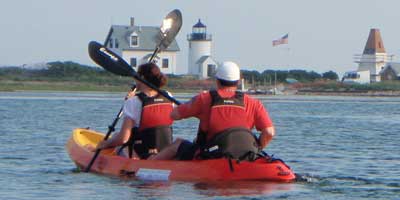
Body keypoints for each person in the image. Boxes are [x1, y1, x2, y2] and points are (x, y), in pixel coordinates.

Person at [151, 61, 275, 161]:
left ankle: (150, 163)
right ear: (238, 82)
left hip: (212, 154)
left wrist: (197, 110)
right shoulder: (254, 103)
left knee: (178, 144)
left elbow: (174, 115)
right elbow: (269, 132)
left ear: (217, 80)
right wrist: (257, 149)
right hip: (247, 153)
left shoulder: (205, 98)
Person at [94, 62, 174, 159]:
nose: (135, 79)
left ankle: (131, 162)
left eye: (137, 76)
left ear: (142, 78)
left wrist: (106, 144)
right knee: (116, 135)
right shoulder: (168, 96)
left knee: (117, 139)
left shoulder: (133, 102)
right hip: (165, 151)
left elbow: (123, 139)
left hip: (143, 153)